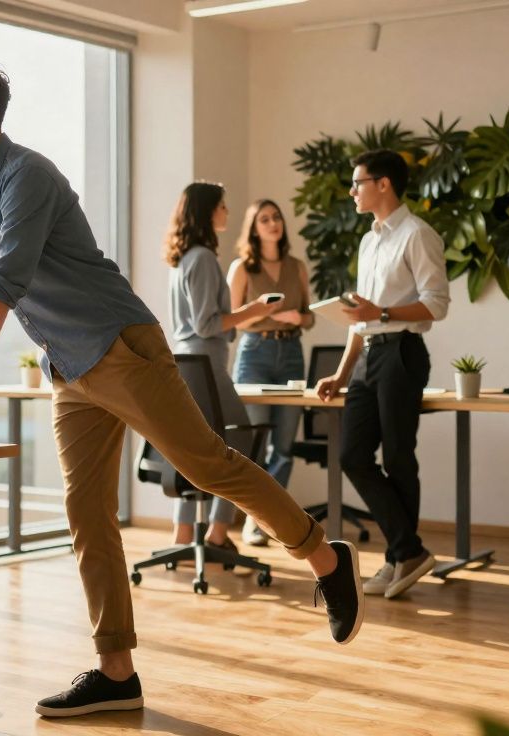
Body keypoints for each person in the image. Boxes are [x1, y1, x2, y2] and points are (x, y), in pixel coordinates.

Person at [0, 58, 363, 719]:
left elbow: (3, 280)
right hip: (69, 368)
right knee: (86, 510)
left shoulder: (28, 175)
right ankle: (116, 672)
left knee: (207, 465)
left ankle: (324, 559)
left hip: (118, 345)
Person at [315, 149, 450, 599]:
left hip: (402, 353)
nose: (353, 191)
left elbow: (437, 303)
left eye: (358, 183)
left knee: (397, 457)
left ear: (384, 184)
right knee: (352, 454)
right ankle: (407, 550)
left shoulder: (418, 234)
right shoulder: (369, 240)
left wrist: (384, 310)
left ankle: (399, 559)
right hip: (370, 357)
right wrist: (340, 372)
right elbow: (361, 318)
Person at [166, 183, 282, 560]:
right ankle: (217, 531)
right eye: (222, 206)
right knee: (243, 446)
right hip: (205, 368)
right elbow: (205, 324)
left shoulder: (185, 259)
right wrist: (256, 310)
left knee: (194, 450)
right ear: (207, 212)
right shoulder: (201, 259)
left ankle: (184, 532)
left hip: (190, 367)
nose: (227, 212)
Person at [227, 199, 315, 546]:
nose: (273, 223)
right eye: (264, 219)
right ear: (253, 228)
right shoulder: (242, 268)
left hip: (291, 352)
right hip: (255, 354)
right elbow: (231, 319)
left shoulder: (297, 266)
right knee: (256, 446)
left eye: (276, 217)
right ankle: (256, 519)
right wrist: (261, 311)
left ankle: (273, 519)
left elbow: (309, 315)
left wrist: (297, 319)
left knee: (284, 446)